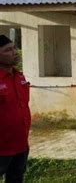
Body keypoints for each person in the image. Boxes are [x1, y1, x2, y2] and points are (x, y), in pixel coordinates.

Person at [0, 35, 31, 182]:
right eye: (8, 50)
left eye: (14, 48)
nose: (14, 52)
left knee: (16, 178)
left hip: (20, 143)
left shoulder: (19, 77)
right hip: (2, 146)